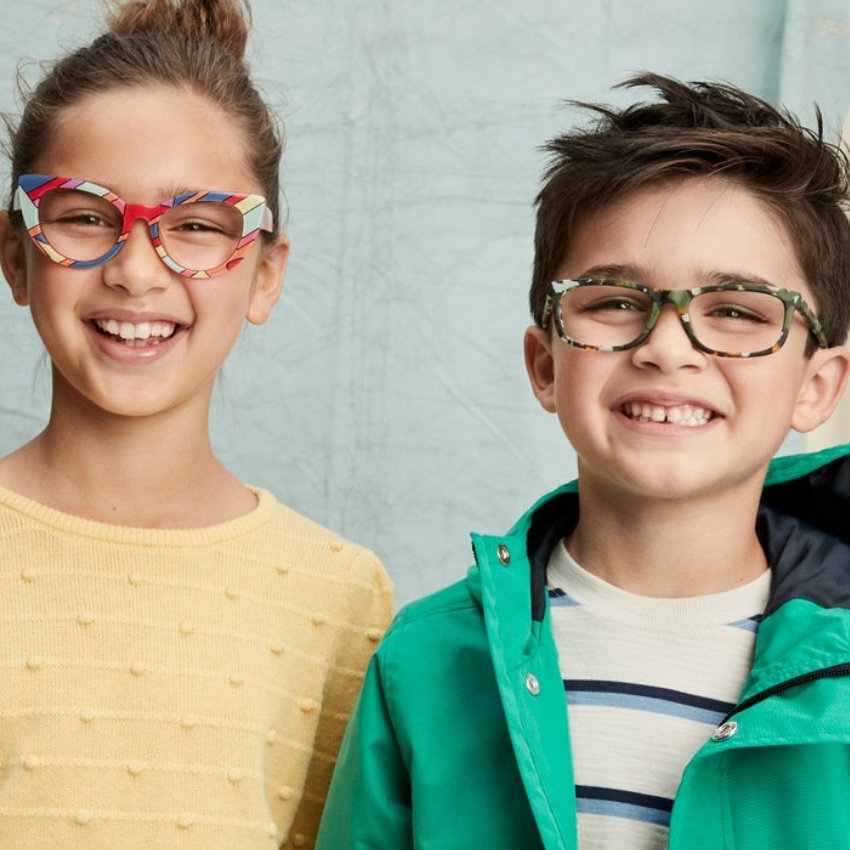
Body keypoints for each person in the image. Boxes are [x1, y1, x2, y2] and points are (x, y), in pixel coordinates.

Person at [315, 73, 850, 850]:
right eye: (613, 302)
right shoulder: (427, 662)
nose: (668, 348)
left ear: (817, 385)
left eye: (736, 312)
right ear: (544, 365)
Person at [0, 1, 393, 848]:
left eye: (197, 227)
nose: (138, 270)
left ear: (263, 275)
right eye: (84, 216)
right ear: (14, 254)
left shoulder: (343, 597)